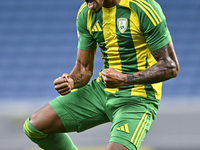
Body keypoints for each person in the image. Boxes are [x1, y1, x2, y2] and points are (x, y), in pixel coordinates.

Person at [23, 0, 179, 149]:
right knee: (35, 126)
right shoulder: (86, 14)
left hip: (138, 98)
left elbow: (170, 66)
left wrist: (124, 79)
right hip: (102, 91)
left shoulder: (143, 8)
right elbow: (83, 69)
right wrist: (71, 81)